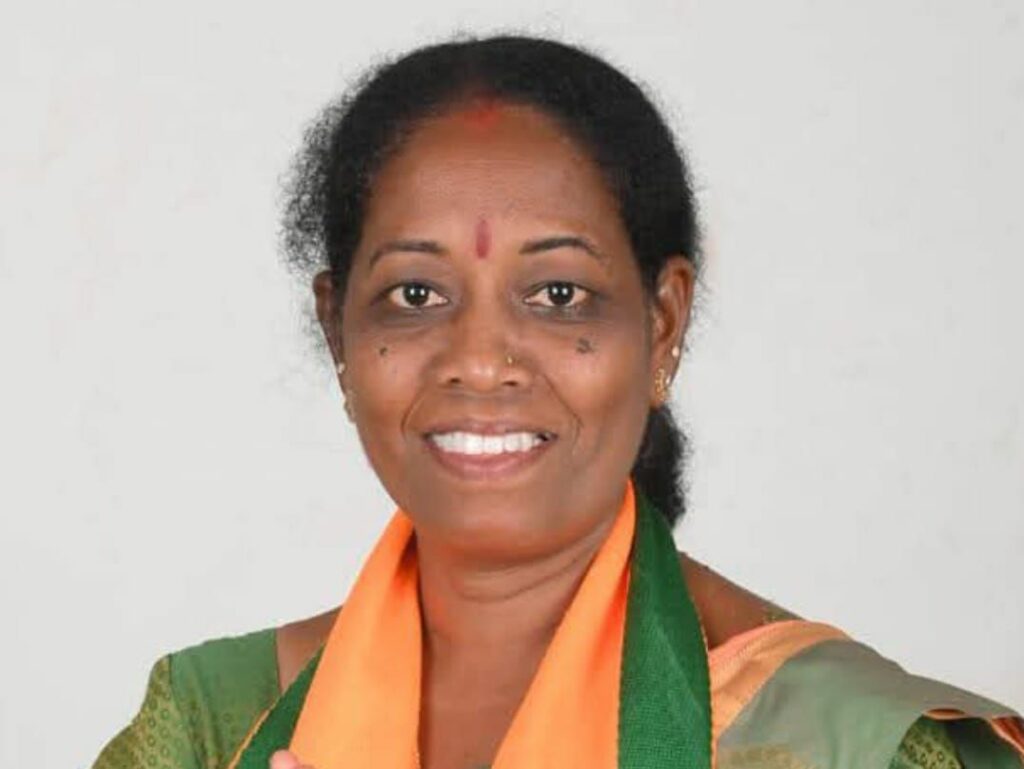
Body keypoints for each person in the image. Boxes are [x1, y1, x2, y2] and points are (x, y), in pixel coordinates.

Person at [91, 35, 1023, 769]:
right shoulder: (214, 728)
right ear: (338, 333)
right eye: (415, 294)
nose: (480, 362)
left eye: (559, 294)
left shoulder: (851, 744)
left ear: (662, 324)